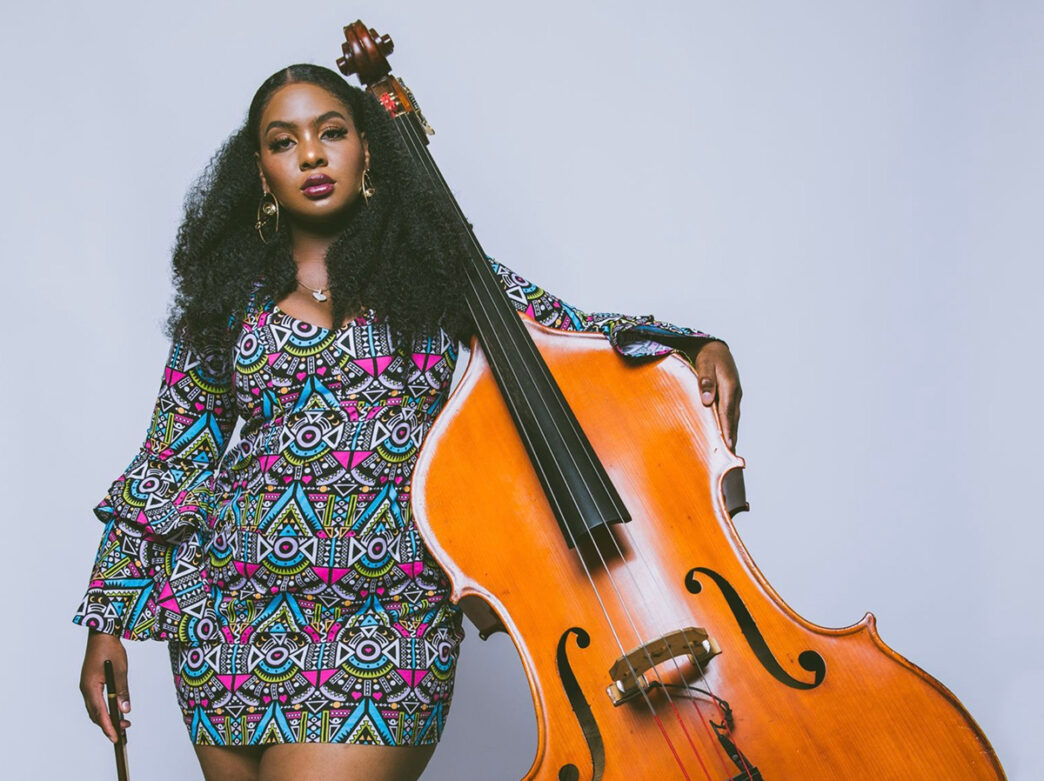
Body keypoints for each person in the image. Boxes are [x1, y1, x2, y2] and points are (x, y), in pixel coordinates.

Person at [74, 63, 742, 781]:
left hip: (388, 621)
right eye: (283, 141)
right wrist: (105, 621)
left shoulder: (434, 269)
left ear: (367, 149)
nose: (310, 154)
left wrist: (692, 343)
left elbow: (567, 333)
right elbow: (171, 457)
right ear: (261, 174)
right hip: (225, 626)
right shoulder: (229, 297)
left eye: (331, 132)